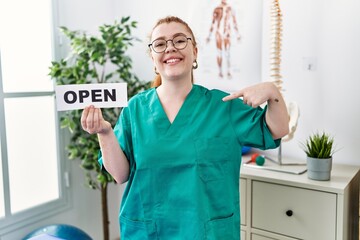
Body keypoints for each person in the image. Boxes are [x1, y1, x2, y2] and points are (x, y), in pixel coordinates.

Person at [81, 16, 289, 240]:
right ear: (153, 58)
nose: (170, 48)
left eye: (179, 40)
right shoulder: (135, 109)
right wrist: (104, 132)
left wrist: (272, 92)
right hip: (149, 232)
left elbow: (278, 129)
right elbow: (120, 175)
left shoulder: (223, 107)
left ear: (195, 52)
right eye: (160, 44)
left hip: (206, 232)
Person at [206, 0, 241, 79]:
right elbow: (213, 22)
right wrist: (209, 36)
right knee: (219, 53)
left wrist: (237, 34)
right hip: (218, 33)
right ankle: (220, 71)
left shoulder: (230, 9)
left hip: (227, 33)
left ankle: (228, 71)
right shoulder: (217, 9)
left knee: (227, 53)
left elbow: (234, 22)